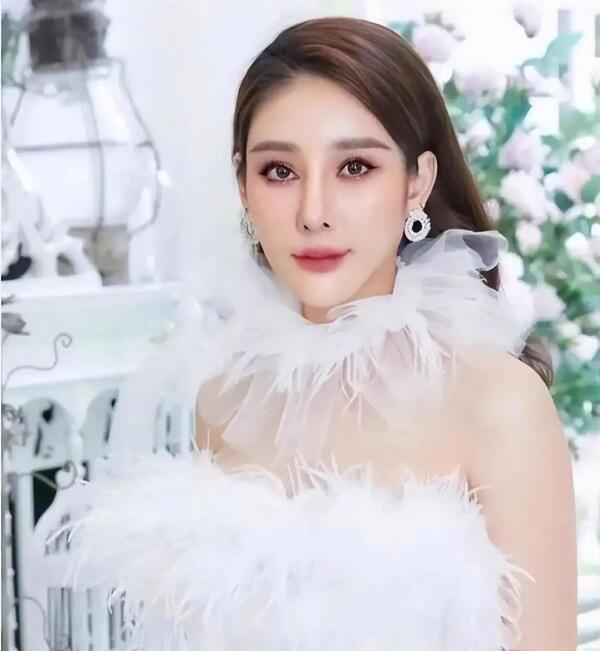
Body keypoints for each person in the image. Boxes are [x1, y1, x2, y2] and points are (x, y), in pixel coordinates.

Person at [37, 16, 577, 651]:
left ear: (417, 182)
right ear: (243, 185)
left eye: (355, 167)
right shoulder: (227, 400)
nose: (313, 213)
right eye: (279, 171)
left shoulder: (497, 402)